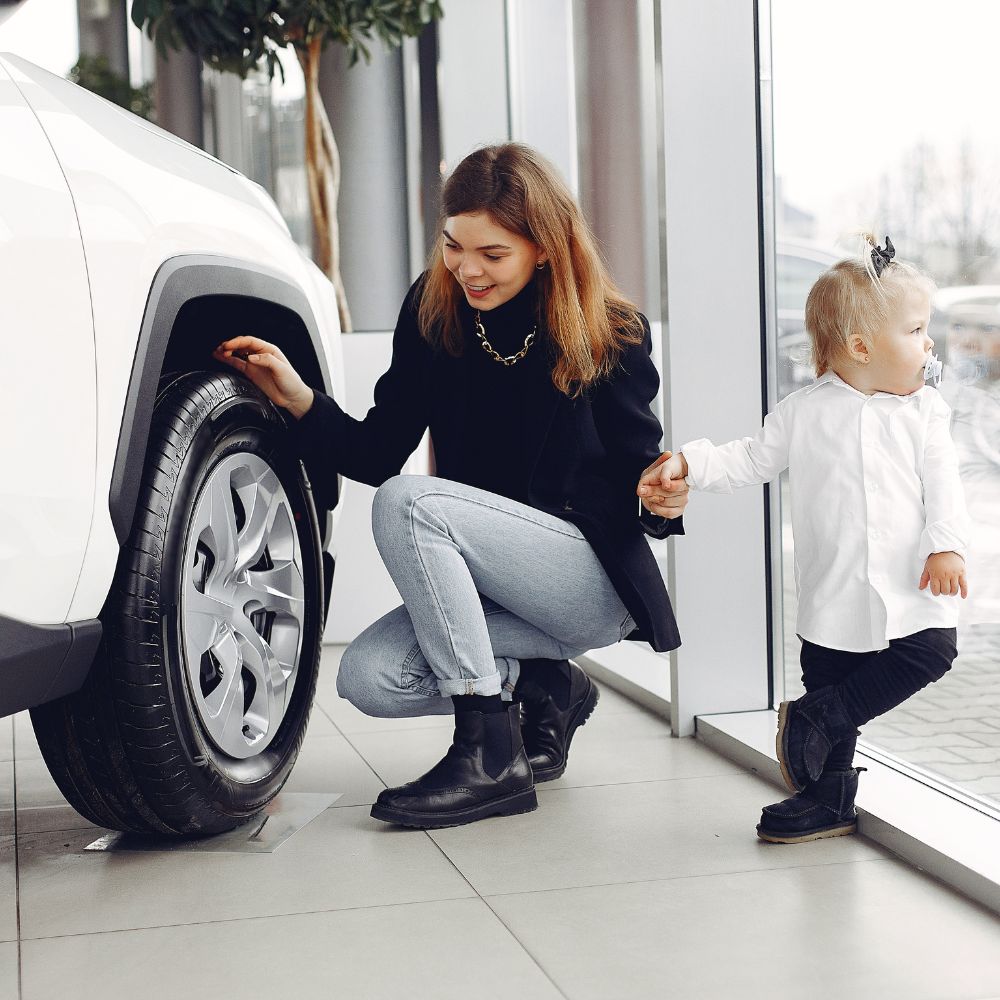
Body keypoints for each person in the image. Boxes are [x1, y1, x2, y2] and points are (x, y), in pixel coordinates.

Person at [214, 142, 687, 829]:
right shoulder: (434, 314)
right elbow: (378, 451)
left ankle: (489, 754)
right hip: (494, 584)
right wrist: (298, 400)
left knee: (410, 503)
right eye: (453, 245)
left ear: (545, 248)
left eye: (492, 254)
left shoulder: (609, 331)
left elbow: (641, 469)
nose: (467, 268)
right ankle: (547, 686)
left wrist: (661, 497)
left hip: (585, 580)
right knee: (368, 677)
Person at [639, 235, 970, 844]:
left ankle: (822, 717)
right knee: (830, 674)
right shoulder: (805, 411)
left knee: (932, 651)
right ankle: (829, 798)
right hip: (833, 587)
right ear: (862, 346)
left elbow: (945, 483)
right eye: (916, 329)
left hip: (908, 581)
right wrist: (688, 461)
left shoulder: (926, 412)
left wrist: (946, 544)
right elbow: (748, 459)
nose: (929, 343)